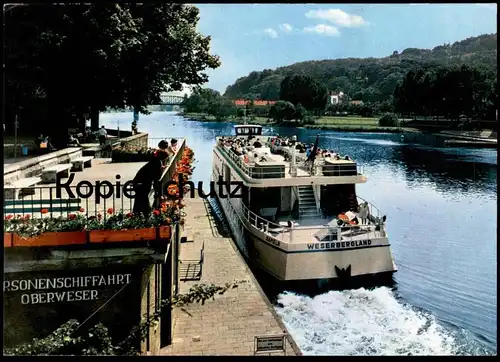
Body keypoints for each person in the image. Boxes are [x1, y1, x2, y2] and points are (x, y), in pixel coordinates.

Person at [132, 150, 169, 216]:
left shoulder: (154, 161)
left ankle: (138, 213)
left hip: (139, 182)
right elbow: (157, 176)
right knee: (143, 199)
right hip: (142, 183)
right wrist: (161, 169)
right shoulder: (157, 163)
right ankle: (145, 214)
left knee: (139, 199)